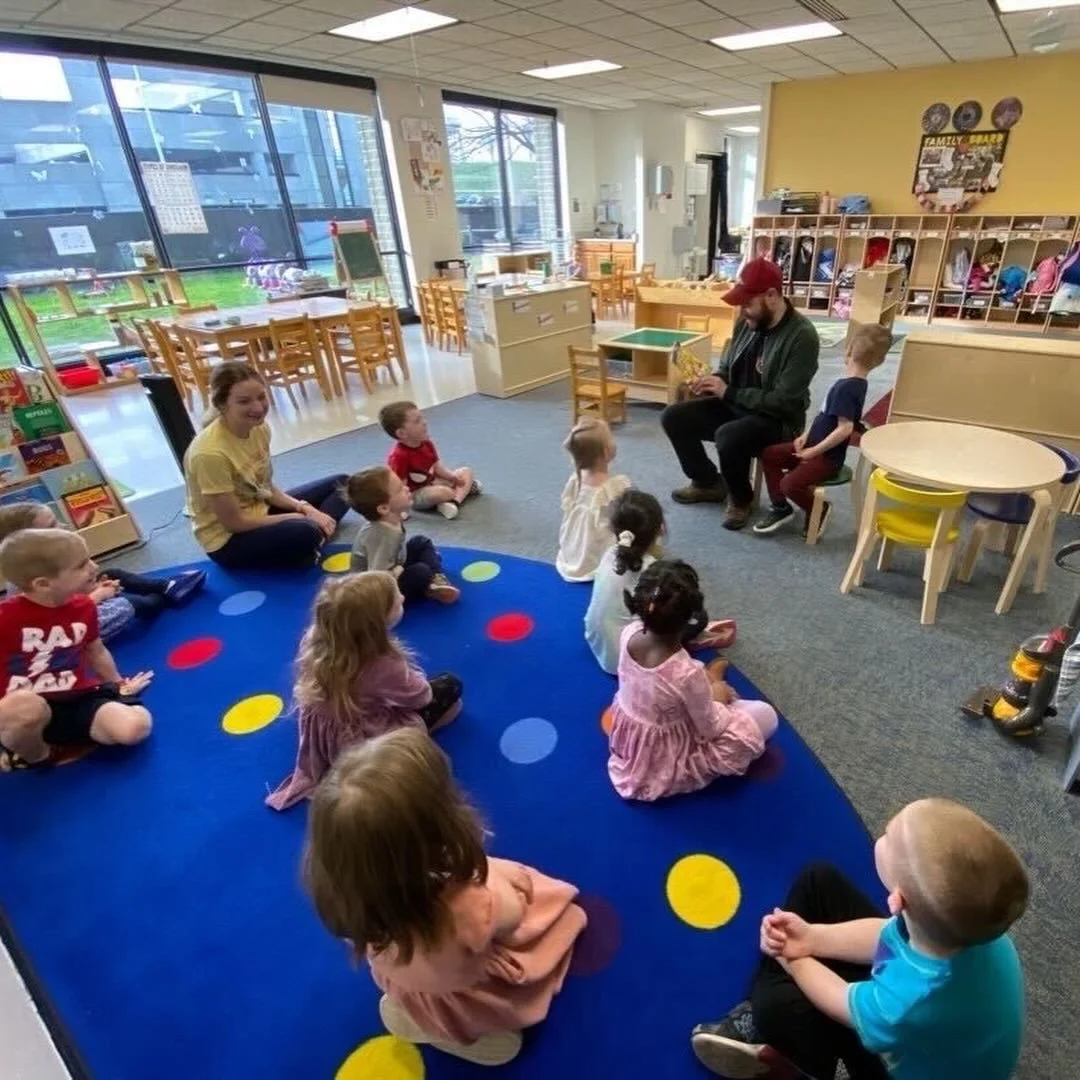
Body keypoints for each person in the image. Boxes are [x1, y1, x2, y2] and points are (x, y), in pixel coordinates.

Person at [303, 727, 587, 1066]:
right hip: (466, 991)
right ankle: (468, 1029)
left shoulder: (345, 896)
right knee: (544, 905)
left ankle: (421, 1015)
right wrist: (500, 882)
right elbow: (513, 914)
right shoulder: (464, 907)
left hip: (407, 981)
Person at [691, 798, 1028, 1080]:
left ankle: (803, 1062)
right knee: (817, 881)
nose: (883, 830)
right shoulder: (973, 928)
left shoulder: (908, 1003)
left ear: (898, 900)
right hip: (940, 1035)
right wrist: (812, 938)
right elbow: (887, 936)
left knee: (774, 1005)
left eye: (888, 835)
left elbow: (842, 1001)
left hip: (899, 1061)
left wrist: (791, 957)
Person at [267, 572, 462, 809]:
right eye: (397, 600)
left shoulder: (314, 639)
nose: (402, 597)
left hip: (323, 730)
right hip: (363, 735)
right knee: (451, 688)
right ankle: (404, 744)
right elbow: (421, 697)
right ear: (376, 623)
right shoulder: (383, 662)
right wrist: (413, 677)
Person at [660, 258, 820, 531]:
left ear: (771, 295)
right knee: (673, 416)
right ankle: (708, 482)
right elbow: (727, 367)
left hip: (777, 420)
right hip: (736, 404)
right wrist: (714, 381)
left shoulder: (802, 336)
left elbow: (784, 401)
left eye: (748, 303)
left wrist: (729, 392)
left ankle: (741, 498)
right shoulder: (746, 321)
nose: (743, 311)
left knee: (730, 435)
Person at [606, 559, 776, 801]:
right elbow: (711, 728)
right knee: (766, 715)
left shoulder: (629, 632)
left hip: (634, 735)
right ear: (690, 618)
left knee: (694, 683)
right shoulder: (685, 673)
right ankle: (714, 684)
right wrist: (718, 697)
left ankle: (711, 684)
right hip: (665, 756)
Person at [0, 529, 152, 769]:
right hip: (21, 712)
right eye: (82, 565)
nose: (94, 567)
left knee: (135, 728)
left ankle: (66, 739)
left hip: (76, 698)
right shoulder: (5, 617)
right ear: (43, 583)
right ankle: (41, 755)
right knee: (26, 707)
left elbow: (96, 651)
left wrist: (119, 686)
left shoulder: (83, 607)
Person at [183, 361, 349, 571]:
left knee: (344, 484)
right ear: (222, 404)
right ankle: (314, 536)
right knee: (305, 530)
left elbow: (265, 487)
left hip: (260, 509)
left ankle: (315, 538)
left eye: (261, 397)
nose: (258, 407)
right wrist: (298, 516)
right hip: (228, 540)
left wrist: (304, 507)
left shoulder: (259, 429)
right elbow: (234, 523)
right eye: (244, 401)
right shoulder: (209, 454)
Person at [755, 322, 892, 538]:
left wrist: (814, 451)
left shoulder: (847, 388)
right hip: (813, 446)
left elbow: (845, 429)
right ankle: (780, 506)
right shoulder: (851, 384)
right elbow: (823, 414)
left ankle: (819, 509)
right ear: (880, 361)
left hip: (826, 459)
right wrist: (806, 436)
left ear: (848, 350)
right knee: (769, 454)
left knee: (789, 484)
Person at [0, 502, 205, 641]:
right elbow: (63, 615)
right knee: (132, 604)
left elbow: (70, 590)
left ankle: (166, 586)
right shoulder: (28, 583)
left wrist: (93, 587)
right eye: (53, 525)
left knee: (113, 573)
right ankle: (161, 598)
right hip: (72, 625)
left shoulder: (43, 561)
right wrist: (98, 594)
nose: (63, 525)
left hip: (78, 600)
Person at [584, 490, 735, 675]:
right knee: (697, 616)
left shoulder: (610, 554)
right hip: (627, 659)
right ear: (659, 530)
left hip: (596, 640)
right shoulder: (654, 572)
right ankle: (681, 646)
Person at [346, 466, 460, 605]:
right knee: (421, 571)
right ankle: (428, 585)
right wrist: (399, 569)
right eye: (400, 489)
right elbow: (379, 579)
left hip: (393, 564)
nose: (407, 488)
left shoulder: (391, 519)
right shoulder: (381, 536)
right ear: (384, 508)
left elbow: (397, 551)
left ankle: (436, 580)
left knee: (421, 542)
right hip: (376, 591)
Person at [556, 417, 631, 582]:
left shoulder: (575, 479)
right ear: (606, 452)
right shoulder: (615, 486)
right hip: (596, 552)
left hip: (572, 548)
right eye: (611, 438)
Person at [380, 400, 480, 521]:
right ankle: (458, 493)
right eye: (417, 421)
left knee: (466, 471)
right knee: (443, 492)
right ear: (402, 433)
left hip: (434, 482)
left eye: (422, 418)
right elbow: (400, 486)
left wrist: (453, 478)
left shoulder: (427, 443)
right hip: (416, 494)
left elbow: (437, 467)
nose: (425, 422)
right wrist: (401, 509)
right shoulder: (398, 456)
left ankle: (454, 502)